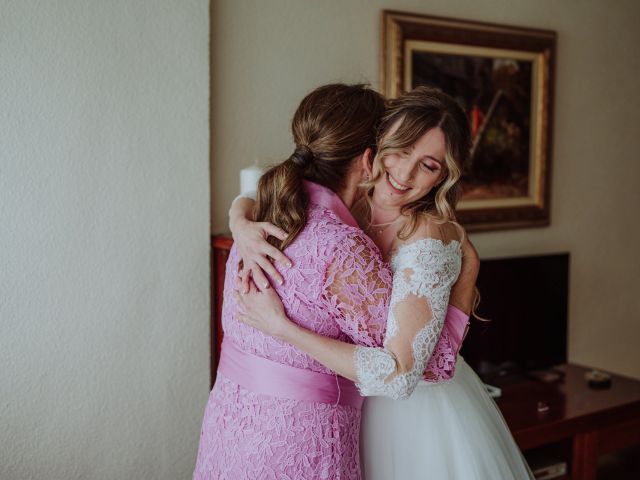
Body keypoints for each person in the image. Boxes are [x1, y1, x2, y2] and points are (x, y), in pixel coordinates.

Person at [234, 86, 533, 479]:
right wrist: (239, 224)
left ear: (445, 176)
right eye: (401, 149)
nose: (405, 174)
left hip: (411, 414)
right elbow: (258, 193)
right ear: (375, 146)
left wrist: (282, 328)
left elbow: (409, 372)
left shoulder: (426, 235)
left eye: (429, 165)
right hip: (347, 399)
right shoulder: (351, 200)